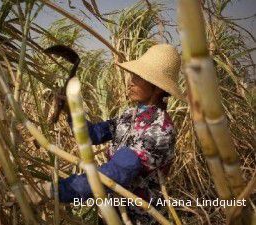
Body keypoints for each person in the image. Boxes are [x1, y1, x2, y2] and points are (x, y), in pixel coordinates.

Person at [33, 44, 185, 224]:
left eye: (140, 77)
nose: (131, 81)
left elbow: (116, 172)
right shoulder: (130, 115)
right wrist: (71, 111)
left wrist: (55, 190)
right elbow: (93, 134)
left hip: (137, 219)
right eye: (133, 75)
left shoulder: (160, 130)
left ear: (158, 88)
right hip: (111, 212)